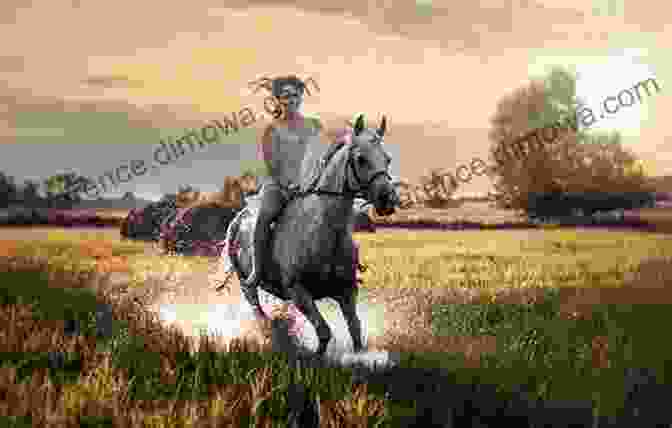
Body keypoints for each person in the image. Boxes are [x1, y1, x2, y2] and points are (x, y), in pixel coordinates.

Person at [243, 75, 324, 288]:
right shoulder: (272, 129)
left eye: (296, 95)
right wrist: (288, 186)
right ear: (277, 100)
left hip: (308, 186)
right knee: (263, 218)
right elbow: (271, 165)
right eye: (286, 96)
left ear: (301, 98)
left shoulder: (314, 125)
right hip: (278, 187)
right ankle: (257, 270)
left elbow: (321, 157)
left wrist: (312, 182)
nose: (291, 100)